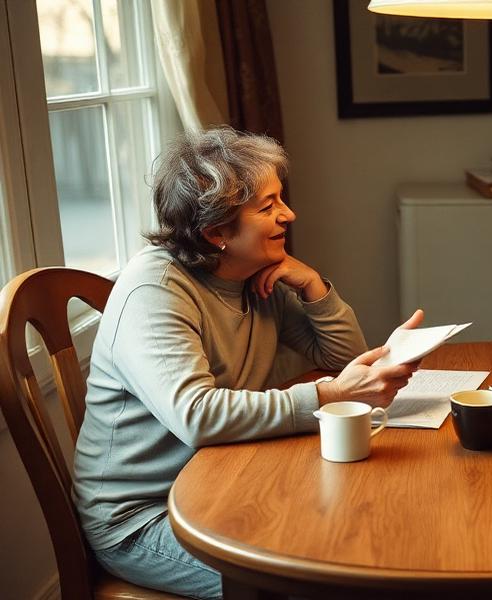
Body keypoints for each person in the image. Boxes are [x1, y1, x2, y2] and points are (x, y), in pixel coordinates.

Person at [73, 128, 421, 600]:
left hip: (227, 483)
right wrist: (334, 396)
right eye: (267, 206)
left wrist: (315, 287)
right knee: (321, 578)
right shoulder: (154, 290)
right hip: (146, 518)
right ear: (216, 233)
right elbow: (197, 416)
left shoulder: (254, 275)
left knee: (370, 534)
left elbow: (342, 361)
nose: (288, 215)